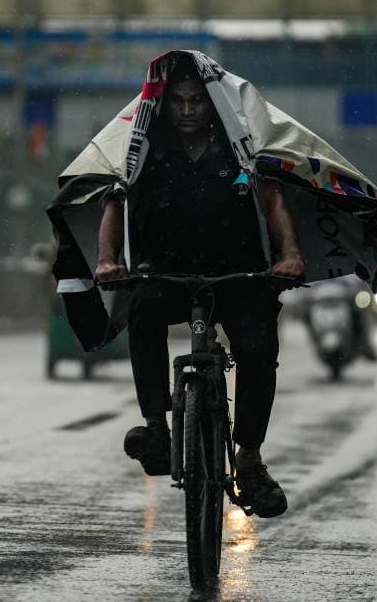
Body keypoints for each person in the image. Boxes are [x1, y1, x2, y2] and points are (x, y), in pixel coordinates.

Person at [93, 54, 304, 519]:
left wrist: (288, 254)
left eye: (197, 101)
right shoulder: (142, 147)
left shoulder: (240, 145)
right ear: (164, 105)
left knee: (256, 346)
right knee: (142, 312)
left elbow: (272, 198)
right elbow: (115, 199)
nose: (188, 110)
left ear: (213, 104)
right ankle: (155, 426)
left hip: (238, 274)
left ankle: (249, 459)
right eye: (178, 102)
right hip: (165, 272)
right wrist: (108, 261)